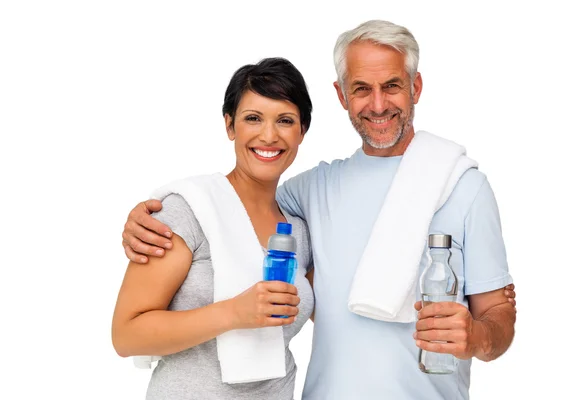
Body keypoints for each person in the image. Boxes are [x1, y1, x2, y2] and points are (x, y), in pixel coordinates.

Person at [121, 20, 517, 399]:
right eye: (361, 88)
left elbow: (497, 313)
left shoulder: (463, 186)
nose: (378, 104)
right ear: (342, 95)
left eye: (392, 86)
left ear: (416, 86)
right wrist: (152, 210)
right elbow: (228, 199)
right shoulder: (309, 192)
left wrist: (478, 337)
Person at [112, 57, 315, 400]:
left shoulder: (298, 228)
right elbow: (126, 335)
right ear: (230, 125)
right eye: (253, 118)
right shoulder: (189, 210)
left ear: (302, 132)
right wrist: (235, 312)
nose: (269, 135)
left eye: (285, 120)